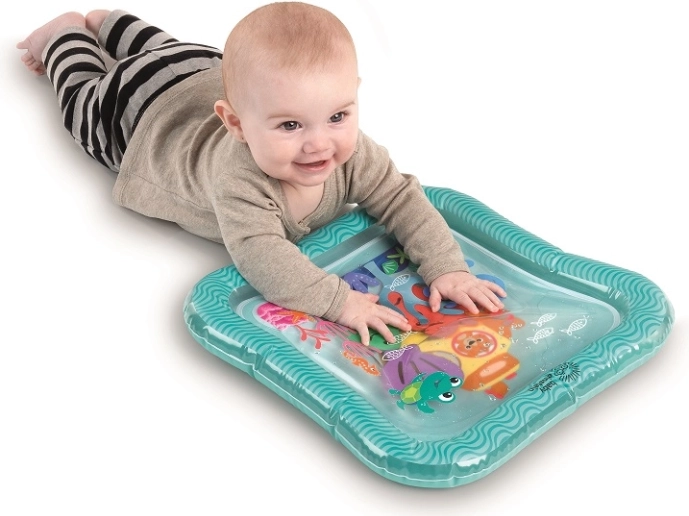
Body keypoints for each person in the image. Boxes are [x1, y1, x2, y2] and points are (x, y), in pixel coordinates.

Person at [16, 3, 506, 345]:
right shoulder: (239, 180)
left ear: (353, 94)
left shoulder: (346, 145)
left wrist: (447, 266)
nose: (319, 143)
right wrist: (342, 302)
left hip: (202, 68)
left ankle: (108, 22)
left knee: (176, 52)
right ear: (235, 124)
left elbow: (401, 198)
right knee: (80, 101)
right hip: (137, 117)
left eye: (337, 115)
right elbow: (262, 254)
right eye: (290, 126)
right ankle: (66, 33)